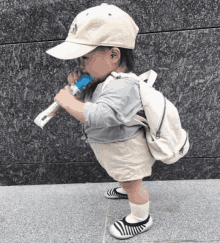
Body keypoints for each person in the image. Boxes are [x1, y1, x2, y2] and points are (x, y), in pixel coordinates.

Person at [46, 3, 155, 240]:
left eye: (85, 58)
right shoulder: (106, 81)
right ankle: (125, 185)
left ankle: (140, 217)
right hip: (113, 148)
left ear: (114, 55)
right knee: (123, 176)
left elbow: (101, 116)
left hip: (125, 150)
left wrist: (68, 101)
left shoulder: (124, 84)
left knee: (132, 184)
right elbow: (96, 106)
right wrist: (81, 93)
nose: (80, 65)